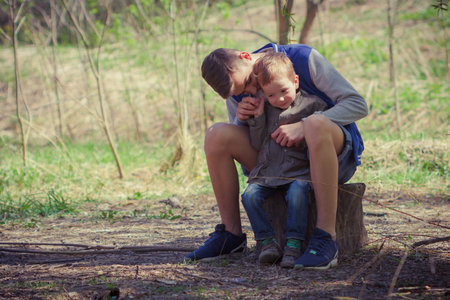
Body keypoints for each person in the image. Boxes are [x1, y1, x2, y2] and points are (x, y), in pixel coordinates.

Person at [185, 43, 368, 270]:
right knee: (216, 135)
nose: (252, 91)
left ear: (246, 56)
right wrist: (242, 120)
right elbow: (253, 150)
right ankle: (231, 235)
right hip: (278, 162)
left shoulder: (303, 58)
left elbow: (358, 105)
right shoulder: (237, 90)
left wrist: (303, 125)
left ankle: (325, 238)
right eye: (242, 92)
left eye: (250, 82)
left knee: (315, 124)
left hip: (334, 155)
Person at [240, 52, 327, 268]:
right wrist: (258, 117)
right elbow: (258, 143)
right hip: (269, 173)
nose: (279, 99)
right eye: (271, 95)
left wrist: (304, 130)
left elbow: (323, 135)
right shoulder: (266, 108)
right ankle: (267, 242)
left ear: (295, 81)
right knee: (249, 195)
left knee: (297, 193)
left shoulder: (312, 105)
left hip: (299, 172)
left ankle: (293, 244)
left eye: (284, 91)